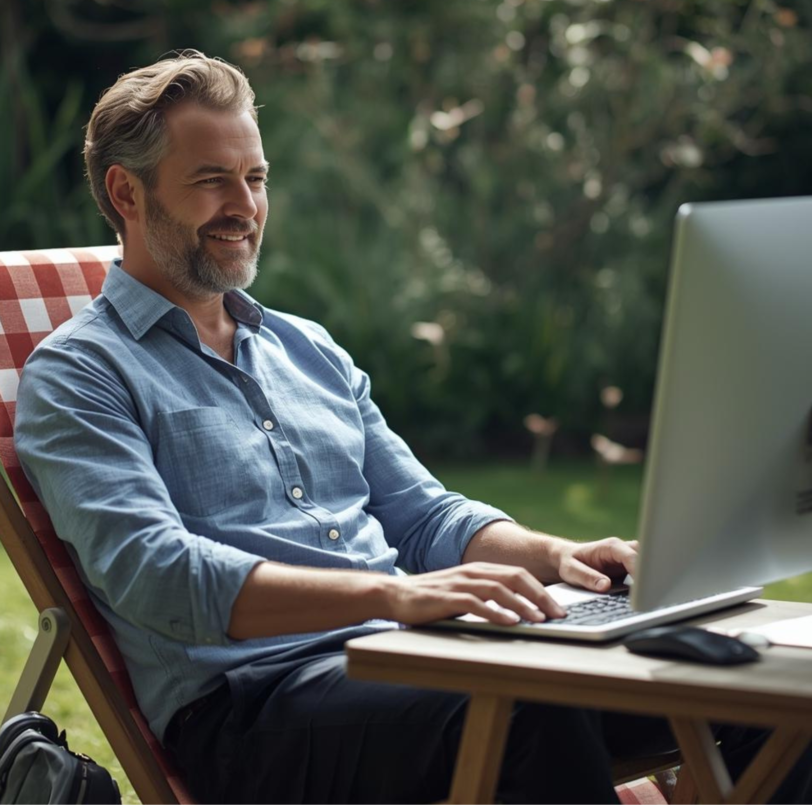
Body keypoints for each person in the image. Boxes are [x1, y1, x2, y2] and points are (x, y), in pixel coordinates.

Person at [14, 51, 812, 804]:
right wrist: (396, 595)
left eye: (255, 178)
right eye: (212, 180)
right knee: (530, 706)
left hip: (417, 658)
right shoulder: (81, 374)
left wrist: (558, 556)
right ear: (126, 193)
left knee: (756, 680)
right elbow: (158, 575)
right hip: (255, 706)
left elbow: (424, 516)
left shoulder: (306, 348)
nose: (246, 207)